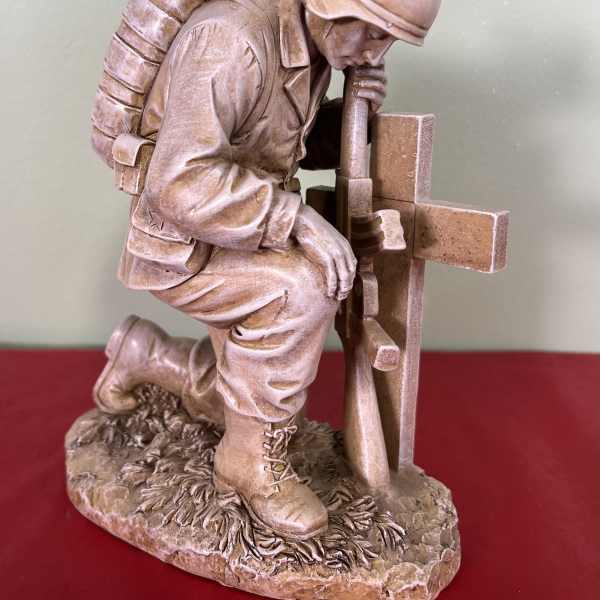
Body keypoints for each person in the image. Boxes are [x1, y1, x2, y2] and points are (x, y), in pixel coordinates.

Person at [94, 0, 441, 540]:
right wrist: (293, 219)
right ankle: (247, 466)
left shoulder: (312, 46)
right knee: (301, 288)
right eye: (374, 34)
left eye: (389, 41)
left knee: (244, 404)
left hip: (236, 232)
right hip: (182, 246)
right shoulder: (231, 43)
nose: (376, 54)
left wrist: (356, 117)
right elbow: (177, 183)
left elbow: (279, 147)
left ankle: (145, 353)